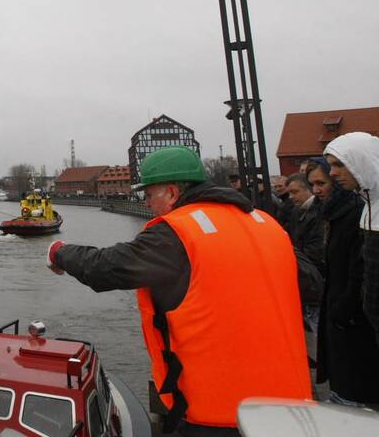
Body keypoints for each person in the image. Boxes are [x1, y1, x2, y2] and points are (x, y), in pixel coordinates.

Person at [47, 146, 310, 435]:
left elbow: (105, 268)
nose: (146, 204)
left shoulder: (176, 233)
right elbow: (313, 286)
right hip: (292, 408)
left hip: (222, 412)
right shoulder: (266, 224)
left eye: (148, 195)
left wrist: (59, 252)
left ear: (172, 193)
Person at [307, 156, 379, 405]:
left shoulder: (357, 212)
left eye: (321, 183)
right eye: (312, 184)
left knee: (357, 390)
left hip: (353, 320)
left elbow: (359, 270)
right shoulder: (332, 213)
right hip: (341, 315)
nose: (316, 190)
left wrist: (343, 310)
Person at [323, 132, 379, 343]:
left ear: (361, 162)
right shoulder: (368, 204)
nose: (333, 173)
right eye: (330, 165)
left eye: (339, 164)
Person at [284, 173, 323, 334]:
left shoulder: (318, 213)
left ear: (308, 190)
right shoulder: (296, 211)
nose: (291, 197)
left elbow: (315, 251)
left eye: (295, 192)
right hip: (307, 276)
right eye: (289, 193)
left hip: (314, 277)